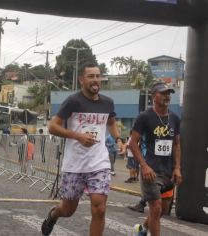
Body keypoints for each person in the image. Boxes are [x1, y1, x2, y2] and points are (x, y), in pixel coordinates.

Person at [41, 62, 124, 236]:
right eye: (91, 76)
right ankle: (54, 214)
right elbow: (52, 127)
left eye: (98, 76)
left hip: (99, 162)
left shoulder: (108, 103)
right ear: (81, 80)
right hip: (75, 164)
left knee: (99, 208)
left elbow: (110, 122)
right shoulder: (73, 101)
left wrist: (118, 139)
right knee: (68, 210)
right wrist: (78, 136)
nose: (95, 80)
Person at [130, 82, 182, 236]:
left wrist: (177, 167)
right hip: (150, 171)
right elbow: (133, 143)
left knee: (163, 210)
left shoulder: (174, 118)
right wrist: (144, 166)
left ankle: (143, 229)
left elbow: (177, 144)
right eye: (163, 93)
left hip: (168, 171)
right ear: (153, 96)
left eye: (168, 93)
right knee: (156, 207)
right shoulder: (144, 117)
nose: (166, 96)